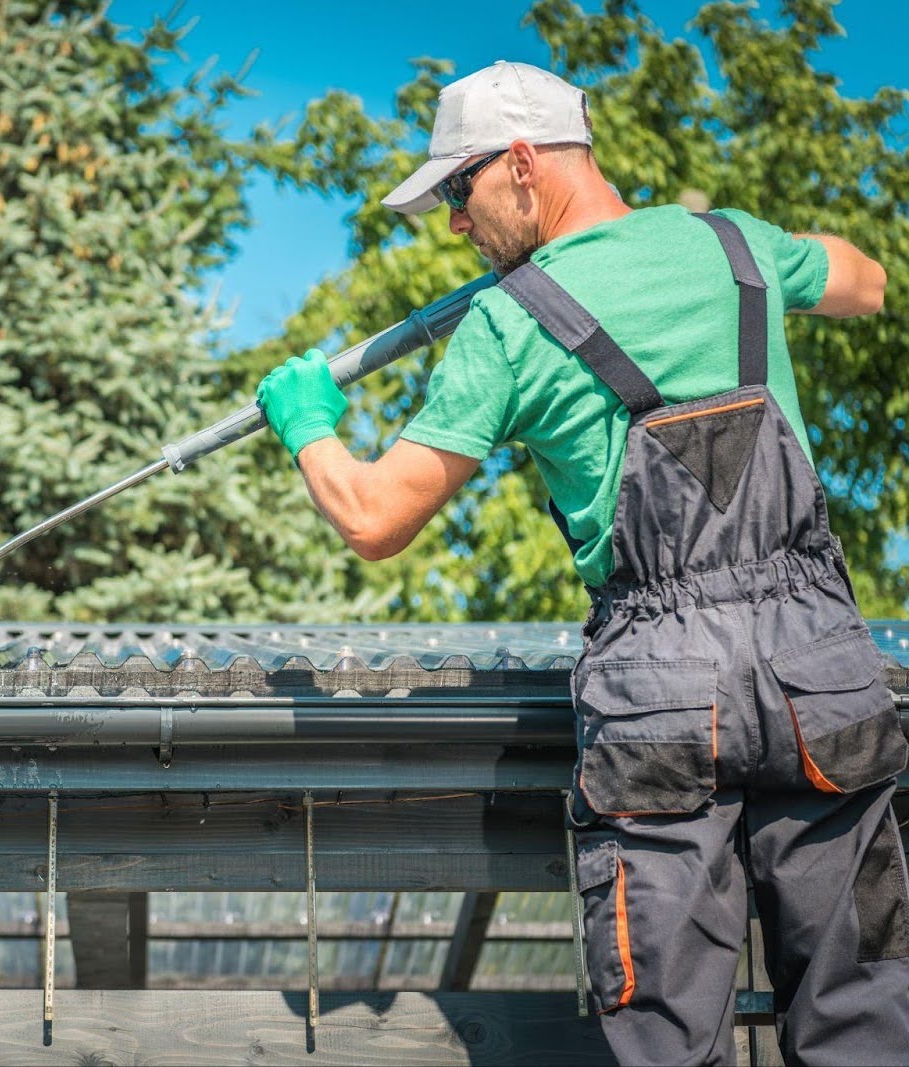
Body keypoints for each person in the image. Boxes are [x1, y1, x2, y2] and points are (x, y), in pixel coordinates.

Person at [255, 60, 907, 1066]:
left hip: (661, 692)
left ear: (521, 163)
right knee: (866, 1013)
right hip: (818, 668)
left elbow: (373, 517)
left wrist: (308, 424)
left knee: (659, 1039)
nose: (452, 225)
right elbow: (864, 281)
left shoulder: (509, 324)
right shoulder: (734, 246)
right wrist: (745, 262)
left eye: (457, 191)